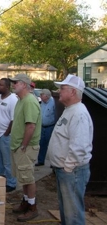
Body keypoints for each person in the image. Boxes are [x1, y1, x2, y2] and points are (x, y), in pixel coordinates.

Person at [47, 75, 93, 225]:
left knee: (73, 214)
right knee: (67, 212)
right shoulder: (70, 110)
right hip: (66, 171)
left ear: (73, 92)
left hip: (72, 172)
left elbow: (79, 146)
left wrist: (67, 168)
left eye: (62, 88)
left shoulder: (79, 113)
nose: (58, 91)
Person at [9, 74, 41, 222]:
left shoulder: (29, 101)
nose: (13, 85)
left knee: (28, 177)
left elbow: (31, 126)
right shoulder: (21, 100)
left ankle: (32, 207)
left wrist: (24, 145)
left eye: (15, 82)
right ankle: (26, 201)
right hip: (20, 147)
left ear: (23, 84)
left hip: (26, 147)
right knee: (23, 178)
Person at [0, 78, 18, 192]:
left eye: (1, 85)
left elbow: (13, 119)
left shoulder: (13, 100)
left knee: (7, 160)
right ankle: (0, 179)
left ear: (7, 87)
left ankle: (11, 182)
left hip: (4, 135)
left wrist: (7, 133)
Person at [35, 89, 55, 166]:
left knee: (51, 145)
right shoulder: (41, 103)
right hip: (42, 127)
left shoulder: (53, 102)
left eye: (41, 94)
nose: (40, 96)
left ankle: (53, 163)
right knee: (42, 144)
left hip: (50, 127)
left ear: (46, 96)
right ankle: (41, 160)